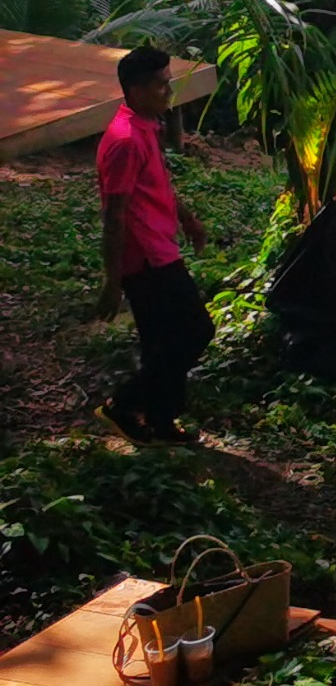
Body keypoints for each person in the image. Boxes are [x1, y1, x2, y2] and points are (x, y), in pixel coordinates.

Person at [94, 45, 212, 445]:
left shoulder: (146, 125)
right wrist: (113, 280)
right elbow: (115, 213)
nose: (169, 91)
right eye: (162, 85)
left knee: (161, 342)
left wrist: (188, 218)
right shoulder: (125, 139)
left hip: (161, 246)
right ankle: (124, 404)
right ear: (137, 89)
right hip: (146, 259)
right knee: (195, 332)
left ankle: (161, 422)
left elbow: (157, 183)